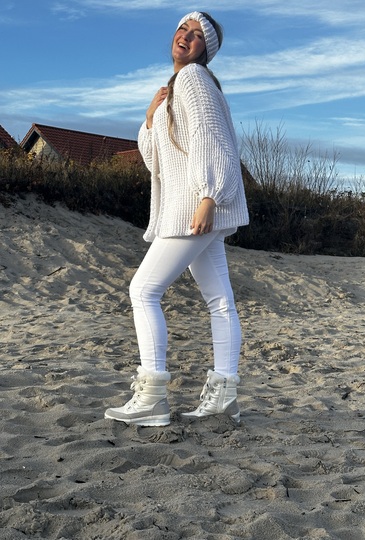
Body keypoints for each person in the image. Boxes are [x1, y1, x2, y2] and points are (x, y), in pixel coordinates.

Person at [105, 11, 249, 427]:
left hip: (194, 208)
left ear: (206, 51)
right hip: (194, 206)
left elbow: (212, 140)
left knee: (143, 290)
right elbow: (158, 163)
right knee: (220, 302)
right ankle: (224, 396)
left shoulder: (193, 79)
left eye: (197, 35)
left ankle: (152, 396)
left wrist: (209, 196)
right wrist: (151, 118)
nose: (186, 36)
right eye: (183, 28)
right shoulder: (175, 88)